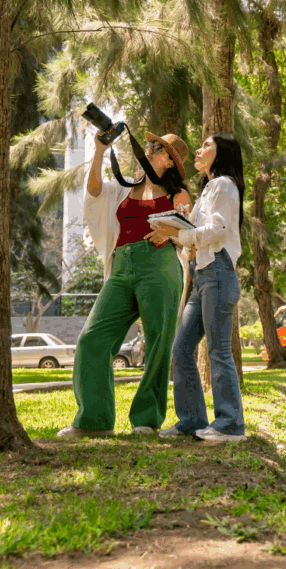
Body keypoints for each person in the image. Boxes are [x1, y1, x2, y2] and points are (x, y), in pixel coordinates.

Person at [57, 129, 191, 438]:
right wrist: (100, 151)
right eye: (150, 146)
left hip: (160, 266)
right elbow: (94, 192)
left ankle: (146, 420)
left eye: (156, 148)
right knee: (92, 339)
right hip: (121, 266)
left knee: (158, 343)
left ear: (168, 162)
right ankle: (94, 420)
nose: (149, 150)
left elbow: (190, 233)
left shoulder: (177, 196)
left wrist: (168, 234)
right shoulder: (124, 188)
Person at [150, 133, 246, 443]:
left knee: (218, 350)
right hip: (203, 274)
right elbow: (192, 235)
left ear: (221, 153)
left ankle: (230, 425)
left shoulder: (223, 185)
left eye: (207, 145)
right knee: (181, 348)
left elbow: (216, 230)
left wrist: (184, 233)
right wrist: (173, 229)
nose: (199, 149)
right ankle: (191, 421)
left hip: (218, 271)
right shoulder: (207, 189)